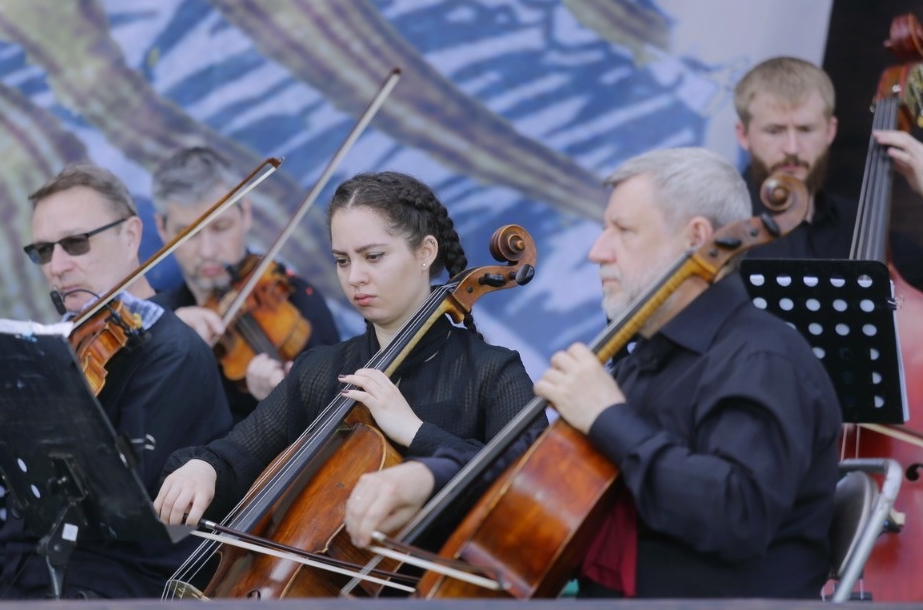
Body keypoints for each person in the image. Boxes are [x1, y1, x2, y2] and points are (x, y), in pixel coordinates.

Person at [344, 148, 843, 599]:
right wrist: (427, 477)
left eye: (623, 231)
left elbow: (737, 516)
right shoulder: (644, 356)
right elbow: (538, 470)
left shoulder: (761, 360)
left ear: (696, 239)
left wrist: (609, 416)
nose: (597, 250)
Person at [154, 171, 545, 536]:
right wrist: (202, 469)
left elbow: (531, 491)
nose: (354, 276)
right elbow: (233, 459)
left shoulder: (494, 373)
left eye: (373, 257)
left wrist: (414, 431)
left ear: (426, 252)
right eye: (342, 260)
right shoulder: (320, 371)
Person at [0, 163, 233, 599]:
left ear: (131, 235)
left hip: (106, 587)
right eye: (43, 251)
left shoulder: (175, 352)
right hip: (20, 575)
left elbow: (122, 504)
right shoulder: (55, 346)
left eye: (76, 243)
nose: (57, 266)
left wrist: (26, 437)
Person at [151, 147, 340, 420]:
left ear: (246, 214)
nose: (207, 250)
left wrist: (270, 406)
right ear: (161, 229)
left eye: (221, 226)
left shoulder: (298, 300)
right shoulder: (162, 323)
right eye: (188, 233)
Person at [734, 55, 923, 287]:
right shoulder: (720, 224)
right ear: (743, 135)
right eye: (774, 131)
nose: (792, 148)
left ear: (830, 131)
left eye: (806, 129)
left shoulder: (860, 225)